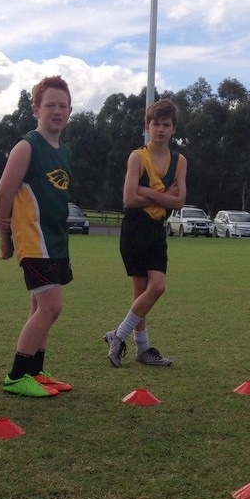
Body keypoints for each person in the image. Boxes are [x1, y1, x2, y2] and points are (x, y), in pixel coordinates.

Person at [0, 75, 75, 398]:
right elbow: (3, 192)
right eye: (50, 104)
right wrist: (5, 234)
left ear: (70, 110)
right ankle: (17, 375)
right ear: (36, 109)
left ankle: (35, 372)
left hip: (56, 239)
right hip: (34, 240)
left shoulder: (65, 150)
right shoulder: (27, 146)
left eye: (63, 105)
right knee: (51, 307)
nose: (57, 111)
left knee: (39, 306)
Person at [104, 99, 187, 368]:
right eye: (156, 124)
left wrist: (148, 194)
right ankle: (143, 348)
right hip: (135, 227)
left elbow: (179, 202)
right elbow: (129, 198)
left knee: (157, 287)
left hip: (156, 230)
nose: (160, 129)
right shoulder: (137, 157)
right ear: (147, 126)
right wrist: (162, 195)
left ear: (174, 129)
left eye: (166, 124)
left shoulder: (179, 161)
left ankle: (118, 335)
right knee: (141, 291)